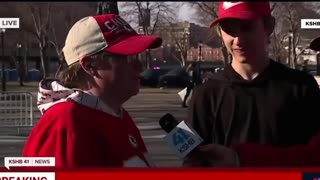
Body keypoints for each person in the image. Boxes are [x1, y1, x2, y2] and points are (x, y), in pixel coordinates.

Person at [183, 2, 320, 167]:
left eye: (247, 27)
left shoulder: (302, 87)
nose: (238, 39)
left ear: (269, 26)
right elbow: (191, 164)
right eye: (229, 29)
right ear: (220, 32)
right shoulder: (204, 94)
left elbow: (313, 161)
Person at [22, 14, 162, 167]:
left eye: (138, 56)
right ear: (89, 65)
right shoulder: (64, 123)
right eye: (127, 57)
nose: (140, 66)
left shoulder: (116, 114)